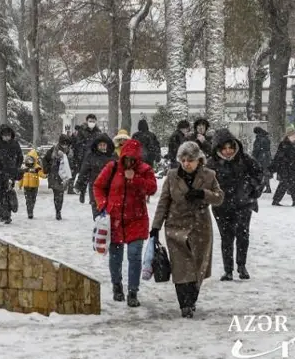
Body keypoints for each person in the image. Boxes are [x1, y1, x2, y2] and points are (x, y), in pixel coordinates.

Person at [151, 141, 224, 318]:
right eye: (183, 160)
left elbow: (219, 198)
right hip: (175, 226)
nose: (186, 164)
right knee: (180, 267)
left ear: (199, 160)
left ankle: (192, 299)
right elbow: (163, 202)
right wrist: (155, 226)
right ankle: (184, 303)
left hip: (200, 227)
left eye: (190, 160)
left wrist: (203, 194)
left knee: (198, 266)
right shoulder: (172, 176)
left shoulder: (209, 175)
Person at [93, 139, 157, 307]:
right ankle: (117, 285)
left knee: (134, 256)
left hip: (137, 219)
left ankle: (133, 291)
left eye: (132, 159)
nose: (129, 162)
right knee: (115, 257)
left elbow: (152, 188)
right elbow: (98, 186)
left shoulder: (145, 170)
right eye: (126, 158)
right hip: (115, 220)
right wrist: (104, 205)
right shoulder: (112, 168)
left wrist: (135, 179)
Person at [207, 129, 264, 281]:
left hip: (243, 203)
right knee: (226, 237)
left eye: (230, 147)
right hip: (221, 206)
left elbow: (259, 174)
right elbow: (204, 183)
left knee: (243, 235)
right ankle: (228, 269)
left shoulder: (245, 159)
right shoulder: (211, 164)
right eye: (224, 148)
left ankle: (241, 265)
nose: (228, 151)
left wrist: (251, 188)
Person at [77, 134, 117, 216]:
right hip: (95, 187)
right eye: (100, 145)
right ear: (97, 146)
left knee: (110, 212)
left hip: (110, 188)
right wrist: (79, 184)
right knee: (97, 211)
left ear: (107, 145)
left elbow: (119, 171)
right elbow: (84, 171)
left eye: (104, 145)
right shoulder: (91, 156)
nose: (102, 147)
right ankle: (98, 222)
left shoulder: (113, 156)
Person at [0, 125, 23, 224]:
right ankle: (2, 213)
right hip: (0, 173)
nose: (7, 137)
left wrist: (17, 167)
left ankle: (6, 215)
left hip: (11, 172)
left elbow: (20, 157)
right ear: (1, 136)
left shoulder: (15, 144)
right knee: (2, 194)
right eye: (5, 135)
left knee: (8, 193)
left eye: (8, 135)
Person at [43, 135, 74, 220]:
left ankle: (58, 210)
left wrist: (71, 169)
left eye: (66, 143)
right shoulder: (53, 150)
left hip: (63, 176)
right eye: (63, 143)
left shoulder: (69, 152)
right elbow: (45, 159)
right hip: (54, 174)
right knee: (57, 193)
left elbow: (72, 163)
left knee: (60, 194)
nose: (65, 145)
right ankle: (58, 211)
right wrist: (47, 168)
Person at [270, 125, 295, 206]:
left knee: (290, 184)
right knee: (287, 184)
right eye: (293, 135)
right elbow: (280, 157)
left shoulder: (292, 143)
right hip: (285, 168)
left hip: (290, 168)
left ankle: (294, 201)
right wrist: (287, 163)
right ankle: (279, 201)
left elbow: (292, 157)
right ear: (289, 135)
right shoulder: (284, 144)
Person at [19, 149, 44, 219]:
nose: (30, 161)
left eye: (31, 159)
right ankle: (30, 212)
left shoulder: (37, 167)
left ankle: (31, 210)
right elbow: (21, 177)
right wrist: (20, 184)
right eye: (28, 159)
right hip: (26, 186)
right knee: (28, 200)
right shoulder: (24, 168)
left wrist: (45, 175)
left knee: (33, 199)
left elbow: (41, 174)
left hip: (34, 186)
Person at [252, 126, 273, 193]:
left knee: (261, 173)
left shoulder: (259, 138)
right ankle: (267, 187)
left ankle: (264, 187)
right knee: (265, 172)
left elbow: (257, 149)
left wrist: (253, 156)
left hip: (261, 157)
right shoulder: (266, 137)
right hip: (267, 157)